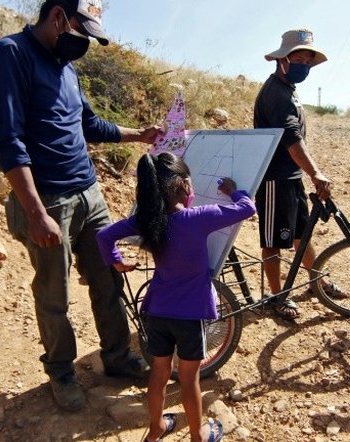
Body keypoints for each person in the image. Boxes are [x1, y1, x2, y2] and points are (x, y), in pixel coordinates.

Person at [0, 0, 160, 412]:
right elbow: (8, 141)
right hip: (48, 200)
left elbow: (89, 125)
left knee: (108, 279)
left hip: (89, 194)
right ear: (59, 16)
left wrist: (139, 135)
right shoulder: (11, 53)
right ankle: (61, 371)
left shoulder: (67, 68)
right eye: (83, 31)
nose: (85, 43)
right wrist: (35, 212)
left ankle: (118, 357)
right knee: (54, 293)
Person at [97, 152, 253, 442]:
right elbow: (247, 208)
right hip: (190, 316)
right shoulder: (199, 217)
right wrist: (233, 191)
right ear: (183, 184)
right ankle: (197, 435)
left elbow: (104, 236)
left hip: (157, 311)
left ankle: (156, 428)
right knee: (189, 378)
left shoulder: (146, 221)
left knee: (159, 372)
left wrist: (117, 263)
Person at [254, 28, 341, 320]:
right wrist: (315, 173)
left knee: (301, 235)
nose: (304, 66)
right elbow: (292, 139)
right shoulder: (275, 93)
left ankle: (318, 281)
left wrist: (306, 174)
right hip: (274, 179)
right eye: (298, 60)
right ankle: (278, 296)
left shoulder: (289, 89)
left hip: (291, 177)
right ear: (282, 60)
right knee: (273, 241)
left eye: (307, 61)